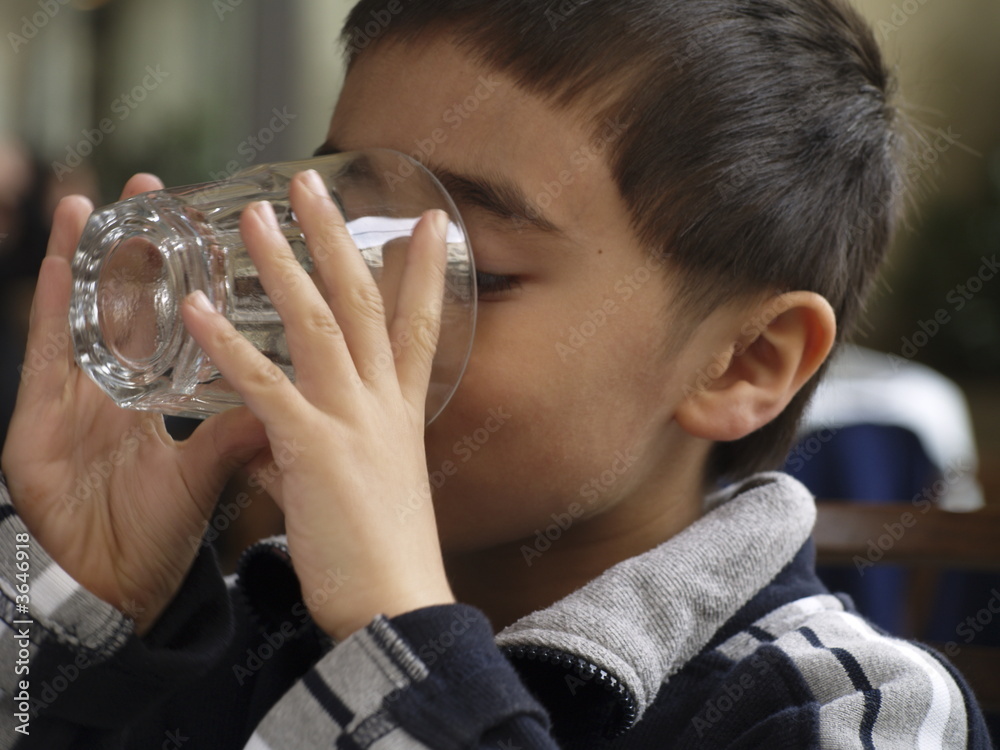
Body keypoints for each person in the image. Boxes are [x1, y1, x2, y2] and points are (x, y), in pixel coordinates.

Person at [0, 0, 993, 747]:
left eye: (465, 268)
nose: (337, 306)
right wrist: (82, 626)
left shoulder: (848, 705)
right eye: (337, 226)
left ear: (741, 363)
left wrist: (398, 640)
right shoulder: (243, 634)